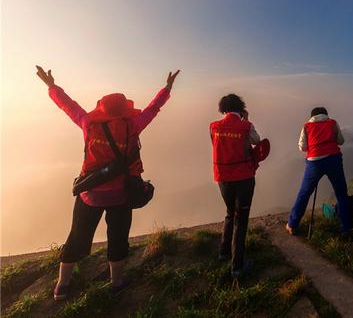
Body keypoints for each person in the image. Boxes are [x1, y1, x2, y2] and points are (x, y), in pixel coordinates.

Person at [36, 65, 179, 300]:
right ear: (124, 110)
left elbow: (68, 105)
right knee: (118, 237)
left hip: (89, 193)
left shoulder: (89, 123)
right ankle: (116, 282)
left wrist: (51, 85)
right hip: (121, 194)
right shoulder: (132, 126)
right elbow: (153, 109)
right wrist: (167, 87)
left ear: (102, 107)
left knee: (78, 237)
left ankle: (62, 285)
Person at [210, 94, 261, 278]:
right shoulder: (245, 126)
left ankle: (224, 253)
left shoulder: (213, 127)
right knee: (241, 218)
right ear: (241, 108)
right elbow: (257, 141)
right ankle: (238, 266)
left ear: (222, 109)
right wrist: (247, 120)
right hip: (243, 177)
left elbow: (216, 145)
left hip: (222, 176)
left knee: (230, 212)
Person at [286, 107, 352, 237]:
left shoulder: (307, 126)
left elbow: (302, 147)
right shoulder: (332, 123)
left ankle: (292, 225)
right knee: (341, 193)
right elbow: (341, 141)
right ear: (326, 115)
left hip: (314, 162)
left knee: (304, 193)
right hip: (334, 159)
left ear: (312, 116)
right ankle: (346, 228)